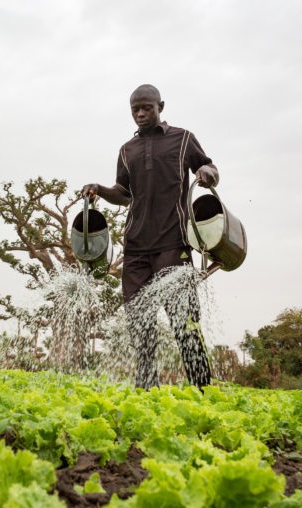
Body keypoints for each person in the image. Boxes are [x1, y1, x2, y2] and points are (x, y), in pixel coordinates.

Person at [82, 84, 217, 390]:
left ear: (161, 107)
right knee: (139, 325)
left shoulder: (182, 139)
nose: (141, 114)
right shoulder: (126, 151)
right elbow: (125, 194)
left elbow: (210, 167)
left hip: (173, 244)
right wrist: (100, 190)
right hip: (136, 249)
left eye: (147, 108)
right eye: (135, 110)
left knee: (185, 322)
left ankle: (204, 390)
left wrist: (208, 172)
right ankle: (146, 391)